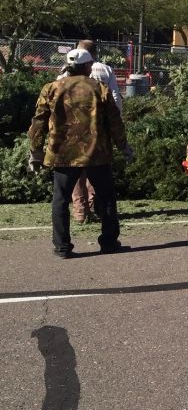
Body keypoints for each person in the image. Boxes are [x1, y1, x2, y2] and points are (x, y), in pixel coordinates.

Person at [28, 48, 134, 259]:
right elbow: (114, 121)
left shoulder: (51, 88)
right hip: (97, 153)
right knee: (106, 198)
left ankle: (62, 247)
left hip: (62, 154)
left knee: (60, 200)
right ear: (87, 67)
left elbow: (38, 122)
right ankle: (109, 242)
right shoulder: (99, 88)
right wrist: (123, 146)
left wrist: (35, 151)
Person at [58, 40, 124, 222]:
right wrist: (116, 127)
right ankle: (97, 207)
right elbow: (115, 98)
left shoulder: (63, 73)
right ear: (93, 55)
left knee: (76, 173)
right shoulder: (104, 70)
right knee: (98, 171)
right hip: (98, 130)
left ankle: (80, 211)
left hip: (70, 132)